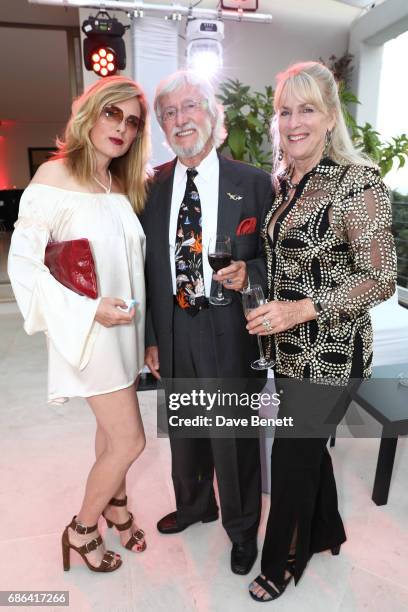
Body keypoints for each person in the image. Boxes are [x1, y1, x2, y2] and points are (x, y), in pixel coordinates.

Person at [245, 61, 397, 602]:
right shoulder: (287, 182)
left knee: (290, 455)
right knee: (306, 446)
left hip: (333, 353)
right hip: (287, 350)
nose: (293, 122)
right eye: (285, 111)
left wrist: (304, 310)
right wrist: (252, 278)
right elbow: (286, 264)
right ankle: (327, 529)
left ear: (331, 117)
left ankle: (284, 559)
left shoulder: (358, 183)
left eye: (307, 109)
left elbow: (381, 279)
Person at [8, 76, 152, 573]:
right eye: (113, 113)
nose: (123, 128)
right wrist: (89, 310)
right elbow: (23, 266)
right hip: (91, 333)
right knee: (131, 441)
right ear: (89, 114)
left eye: (132, 121)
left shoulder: (118, 184)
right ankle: (82, 528)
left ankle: (116, 506)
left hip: (126, 333)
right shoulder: (52, 177)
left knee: (112, 436)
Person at [140, 70, 273, 575]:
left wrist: (252, 271)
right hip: (173, 324)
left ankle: (241, 531)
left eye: (190, 107)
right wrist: (152, 336)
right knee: (185, 429)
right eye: (169, 113)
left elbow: (280, 257)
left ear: (212, 113)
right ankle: (196, 505)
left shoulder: (255, 184)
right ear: (162, 126)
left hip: (231, 330)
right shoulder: (150, 186)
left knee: (233, 437)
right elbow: (146, 268)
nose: (181, 120)